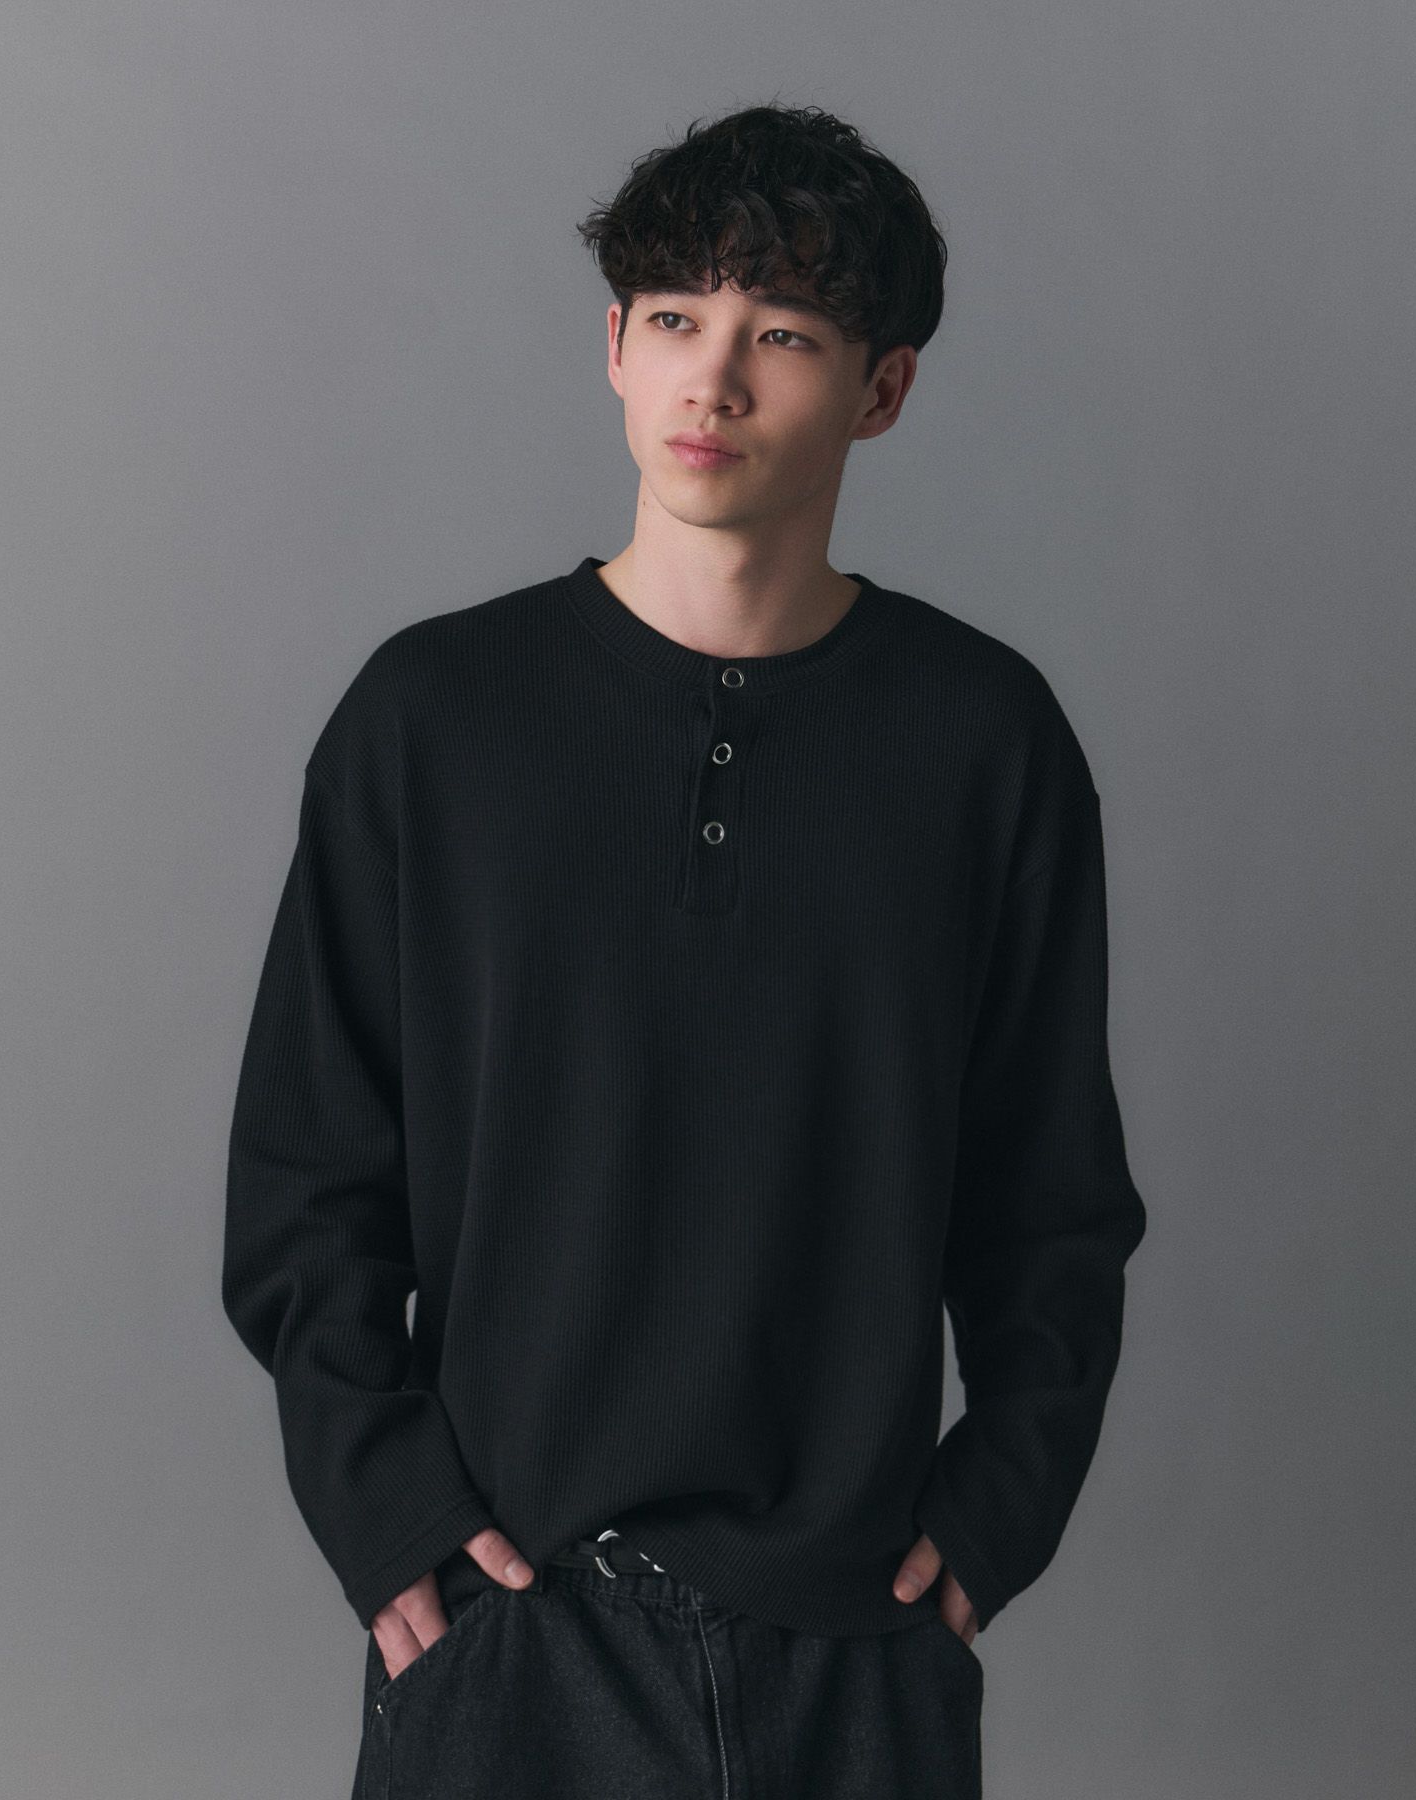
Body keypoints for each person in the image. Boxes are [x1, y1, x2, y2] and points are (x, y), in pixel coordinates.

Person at [222, 99, 1147, 1799]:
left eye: (780, 334)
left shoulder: (983, 743)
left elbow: (1052, 1199)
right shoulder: (433, 720)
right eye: (673, 318)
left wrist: (996, 1513)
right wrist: (384, 1505)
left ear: (882, 388)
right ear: (614, 348)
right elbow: (306, 1174)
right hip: (509, 1618)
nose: (711, 380)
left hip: (855, 1637)